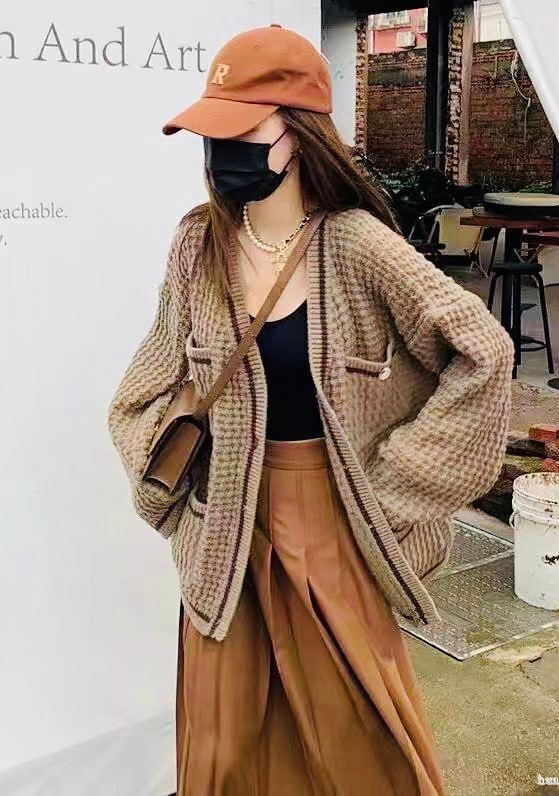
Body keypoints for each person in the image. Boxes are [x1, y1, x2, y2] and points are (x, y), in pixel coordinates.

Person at [108, 23, 514, 796]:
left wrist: (392, 492)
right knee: (224, 741)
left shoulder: (356, 244)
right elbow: (143, 388)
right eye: (211, 133)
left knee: (353, 740)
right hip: (223, 526)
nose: (219, 152)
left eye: (241, 132)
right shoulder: (196, 244)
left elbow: (483, 355)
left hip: (334, 523)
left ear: (296, 135)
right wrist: (175, 501)